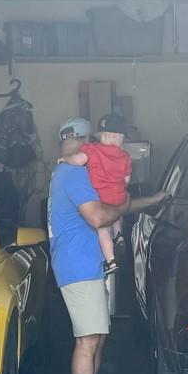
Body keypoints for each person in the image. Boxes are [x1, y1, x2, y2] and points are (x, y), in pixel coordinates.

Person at [48, 117, 167, 374]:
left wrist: (150, 200)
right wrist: (130, 203)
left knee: (97, 336)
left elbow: (115, 203)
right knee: (87, 340)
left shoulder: (74, 170)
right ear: (89, 141)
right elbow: (101, 214)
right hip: (78, 266)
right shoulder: (72, 174)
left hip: (86, 264)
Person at [62, 112, 135, 275]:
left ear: (101, 135)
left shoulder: (92, 149)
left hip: (102, 196)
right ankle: (119, 235)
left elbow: (79, 160)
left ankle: (111, 261)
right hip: (119, 194)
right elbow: (127, 180)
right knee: (116, 212)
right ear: (120, 137)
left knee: (103, 229)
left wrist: (66, 159)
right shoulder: (125, 156)